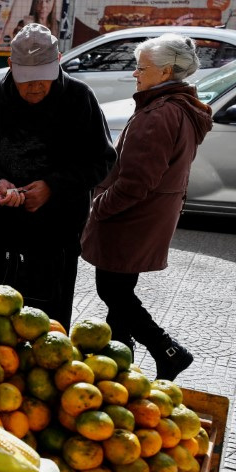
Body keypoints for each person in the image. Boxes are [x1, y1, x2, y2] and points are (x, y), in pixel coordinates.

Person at [0, 23, 116, 329]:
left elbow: (102, 160)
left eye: (42, 79)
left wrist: (52, 188)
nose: (34, 88)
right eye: (26, 80)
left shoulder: (79, 98)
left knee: (49, 324)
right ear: (10, 66)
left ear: (58, 61)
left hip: (57, 235)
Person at [80, 34, 212, 380]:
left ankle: (168, 350)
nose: (135, 74)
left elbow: (136, 182)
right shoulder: (177, 107)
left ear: (166, 71)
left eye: (142, 68)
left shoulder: (159, 114)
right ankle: (119, 365)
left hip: (130, 220)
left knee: (113, 291)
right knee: (119, 292)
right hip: (146, 218)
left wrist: (100, 207)